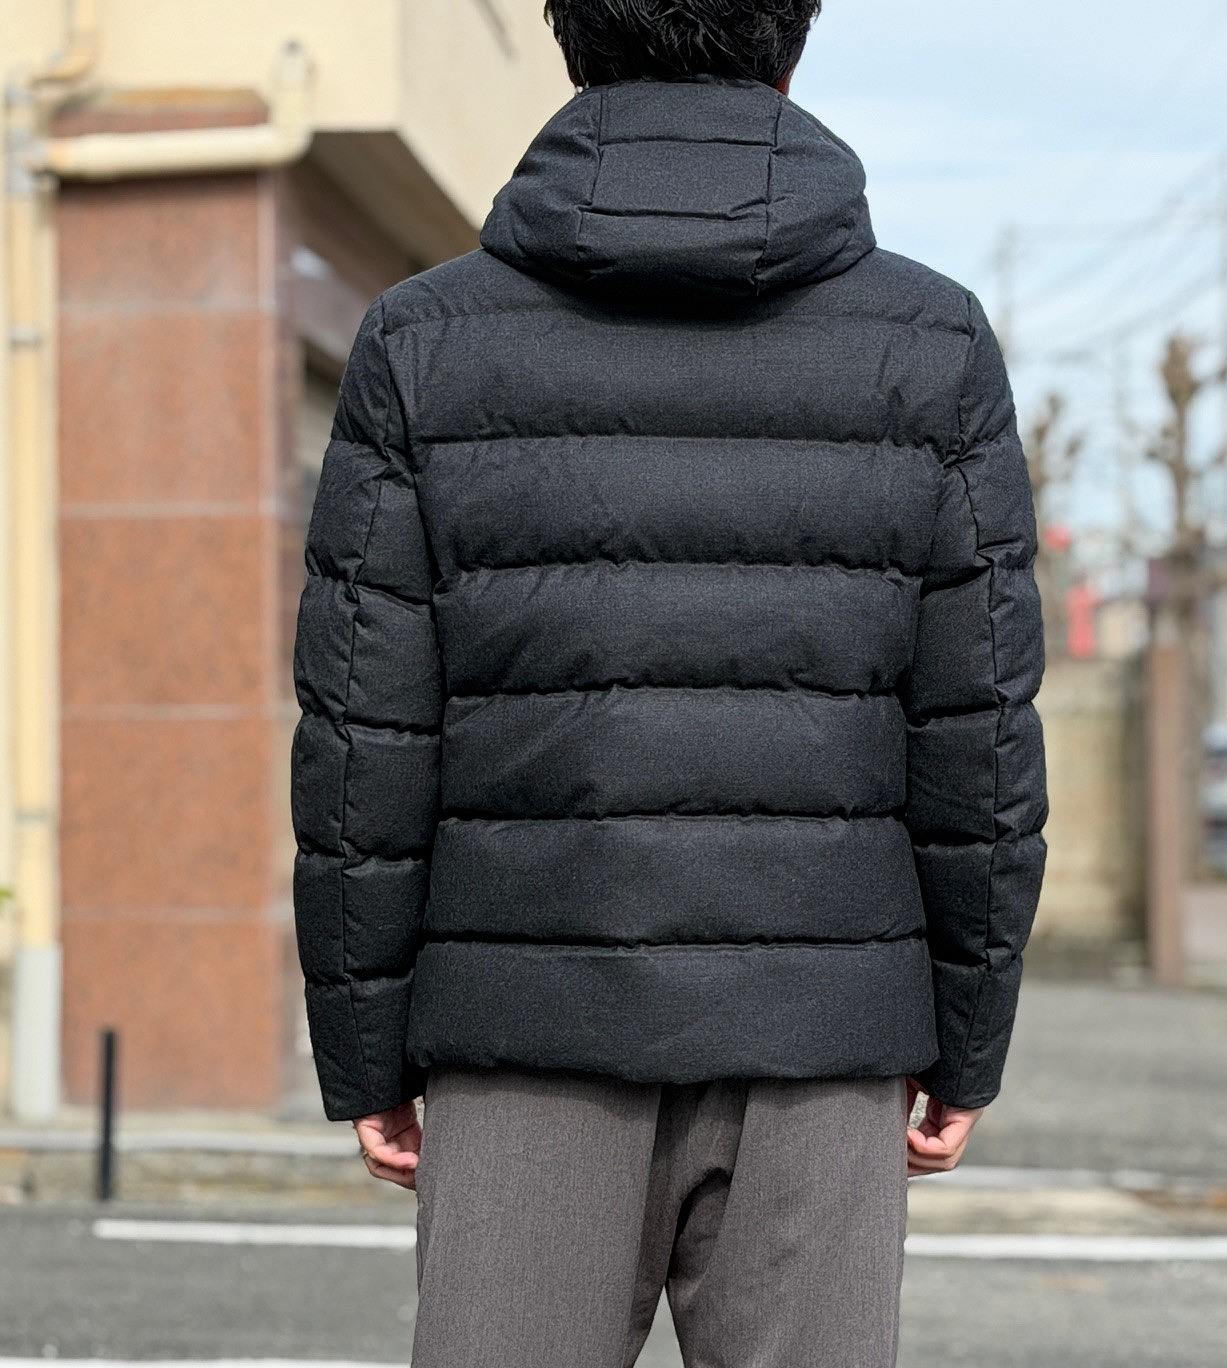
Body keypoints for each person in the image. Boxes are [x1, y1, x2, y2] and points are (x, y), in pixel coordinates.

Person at [290, 2, 1048, 1363]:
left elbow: (364, 741)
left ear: (568, 41)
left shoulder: (421, 344)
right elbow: (979, 737)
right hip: (826, 1035)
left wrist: (366, 1047)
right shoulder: (931, 346)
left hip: (521, 1028)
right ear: (792, 45)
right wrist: (966, 1037)